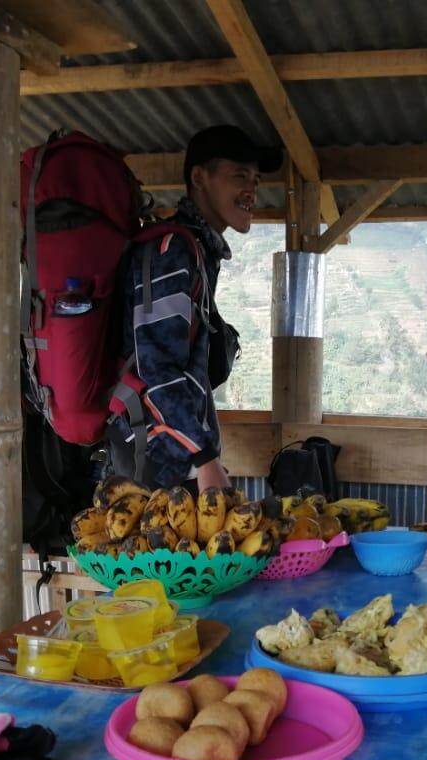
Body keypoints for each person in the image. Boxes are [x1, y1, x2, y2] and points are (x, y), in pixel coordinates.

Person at [109, 125, 282, 489]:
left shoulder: (197, 252)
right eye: (239, 176)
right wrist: (204, 459)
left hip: (176, 456)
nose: (251, 189)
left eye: (255, 178)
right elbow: (157, 368)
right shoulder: (172, 252)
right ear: (200, 178)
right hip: (157, 462)